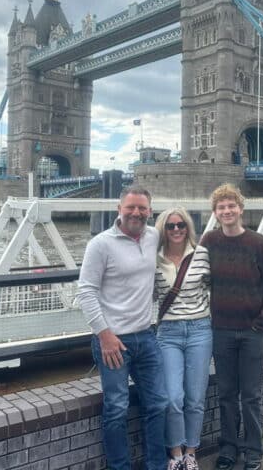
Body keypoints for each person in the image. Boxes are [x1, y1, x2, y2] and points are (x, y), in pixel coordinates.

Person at [76, 186, 168, 470]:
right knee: (116, 409)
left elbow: (181, 247)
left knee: (159, 404)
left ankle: (157, 465)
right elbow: (86, 292)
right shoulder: (100, 244)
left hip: (146, 336)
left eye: (142, 208)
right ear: (119, 209)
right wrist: (104, 335)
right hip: (113, 340)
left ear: (149, 212)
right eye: (131, 207)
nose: (136, 213)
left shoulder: (153, 236)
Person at [200, 184, 263, 470]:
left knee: (251, 395)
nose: (227, 211)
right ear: (216, 213)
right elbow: (195, 275)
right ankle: (229, 448)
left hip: (251, 332)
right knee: (226, 394)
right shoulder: (208, 242)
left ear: (240, 209)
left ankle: (254, 448)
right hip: (220, 329)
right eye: (221, 207)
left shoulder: (258, 243)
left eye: (231, 205)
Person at [154, 208, 212, 470]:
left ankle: (191, 453)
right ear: (162, 230)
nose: (176, 230)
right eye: (170, 226)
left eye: (181, 225)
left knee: (195, 397)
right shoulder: (153, 259)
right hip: (169, 333)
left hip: (201, 329)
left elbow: (217, 287)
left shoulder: (202, 254)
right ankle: (175, 453)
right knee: (172, 397)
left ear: (188, 228)